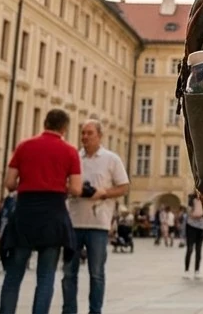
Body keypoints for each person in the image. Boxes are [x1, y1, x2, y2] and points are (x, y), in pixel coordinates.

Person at [0, 108, 83, 314]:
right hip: (53, 214)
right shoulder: (70, 151)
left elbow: (9, 182)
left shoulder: (24, 146)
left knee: (13, 274)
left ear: (44, 123)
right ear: (64, 128)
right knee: (46, 277)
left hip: (25, 212)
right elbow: (76, 189)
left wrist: (28, 184)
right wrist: (57, 186)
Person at [62, 119, 129, 314]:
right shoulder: (74, 156)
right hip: (73, 221)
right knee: (68, 273)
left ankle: (95, 311)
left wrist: (104, 193)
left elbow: (124, 187)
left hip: (99, 224)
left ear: (100, 136)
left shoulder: (111, 159)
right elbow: (64, 183)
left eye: (89, 133)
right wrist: (75, 190)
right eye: (83, 133)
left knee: (96, 274)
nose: (85, 137)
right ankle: (69, 310)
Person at [183, 193, 203, 279]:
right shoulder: (191, 199)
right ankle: (186, 270)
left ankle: (197, 270)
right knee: (190, 249)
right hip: (191, 226)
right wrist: (198, 213)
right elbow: (190, 212)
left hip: (202, 227)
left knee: (198, 249)